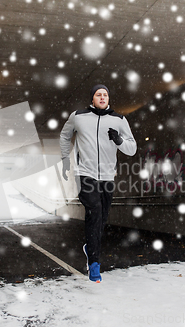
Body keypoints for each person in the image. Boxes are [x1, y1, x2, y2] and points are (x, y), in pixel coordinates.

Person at [59, 84, 137, 282]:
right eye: (98, 94)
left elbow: (132, 148)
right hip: (85, 173)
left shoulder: (119, 120)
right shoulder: (78, 116)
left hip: (108, 176)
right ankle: (94, 263)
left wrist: (119, 141)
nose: (102, 97)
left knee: (101, 219)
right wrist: (65, 158)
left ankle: (89, 247)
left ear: (108, 98)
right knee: (94, 211)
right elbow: (65, 135)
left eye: (105, 94)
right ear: (92, 98)